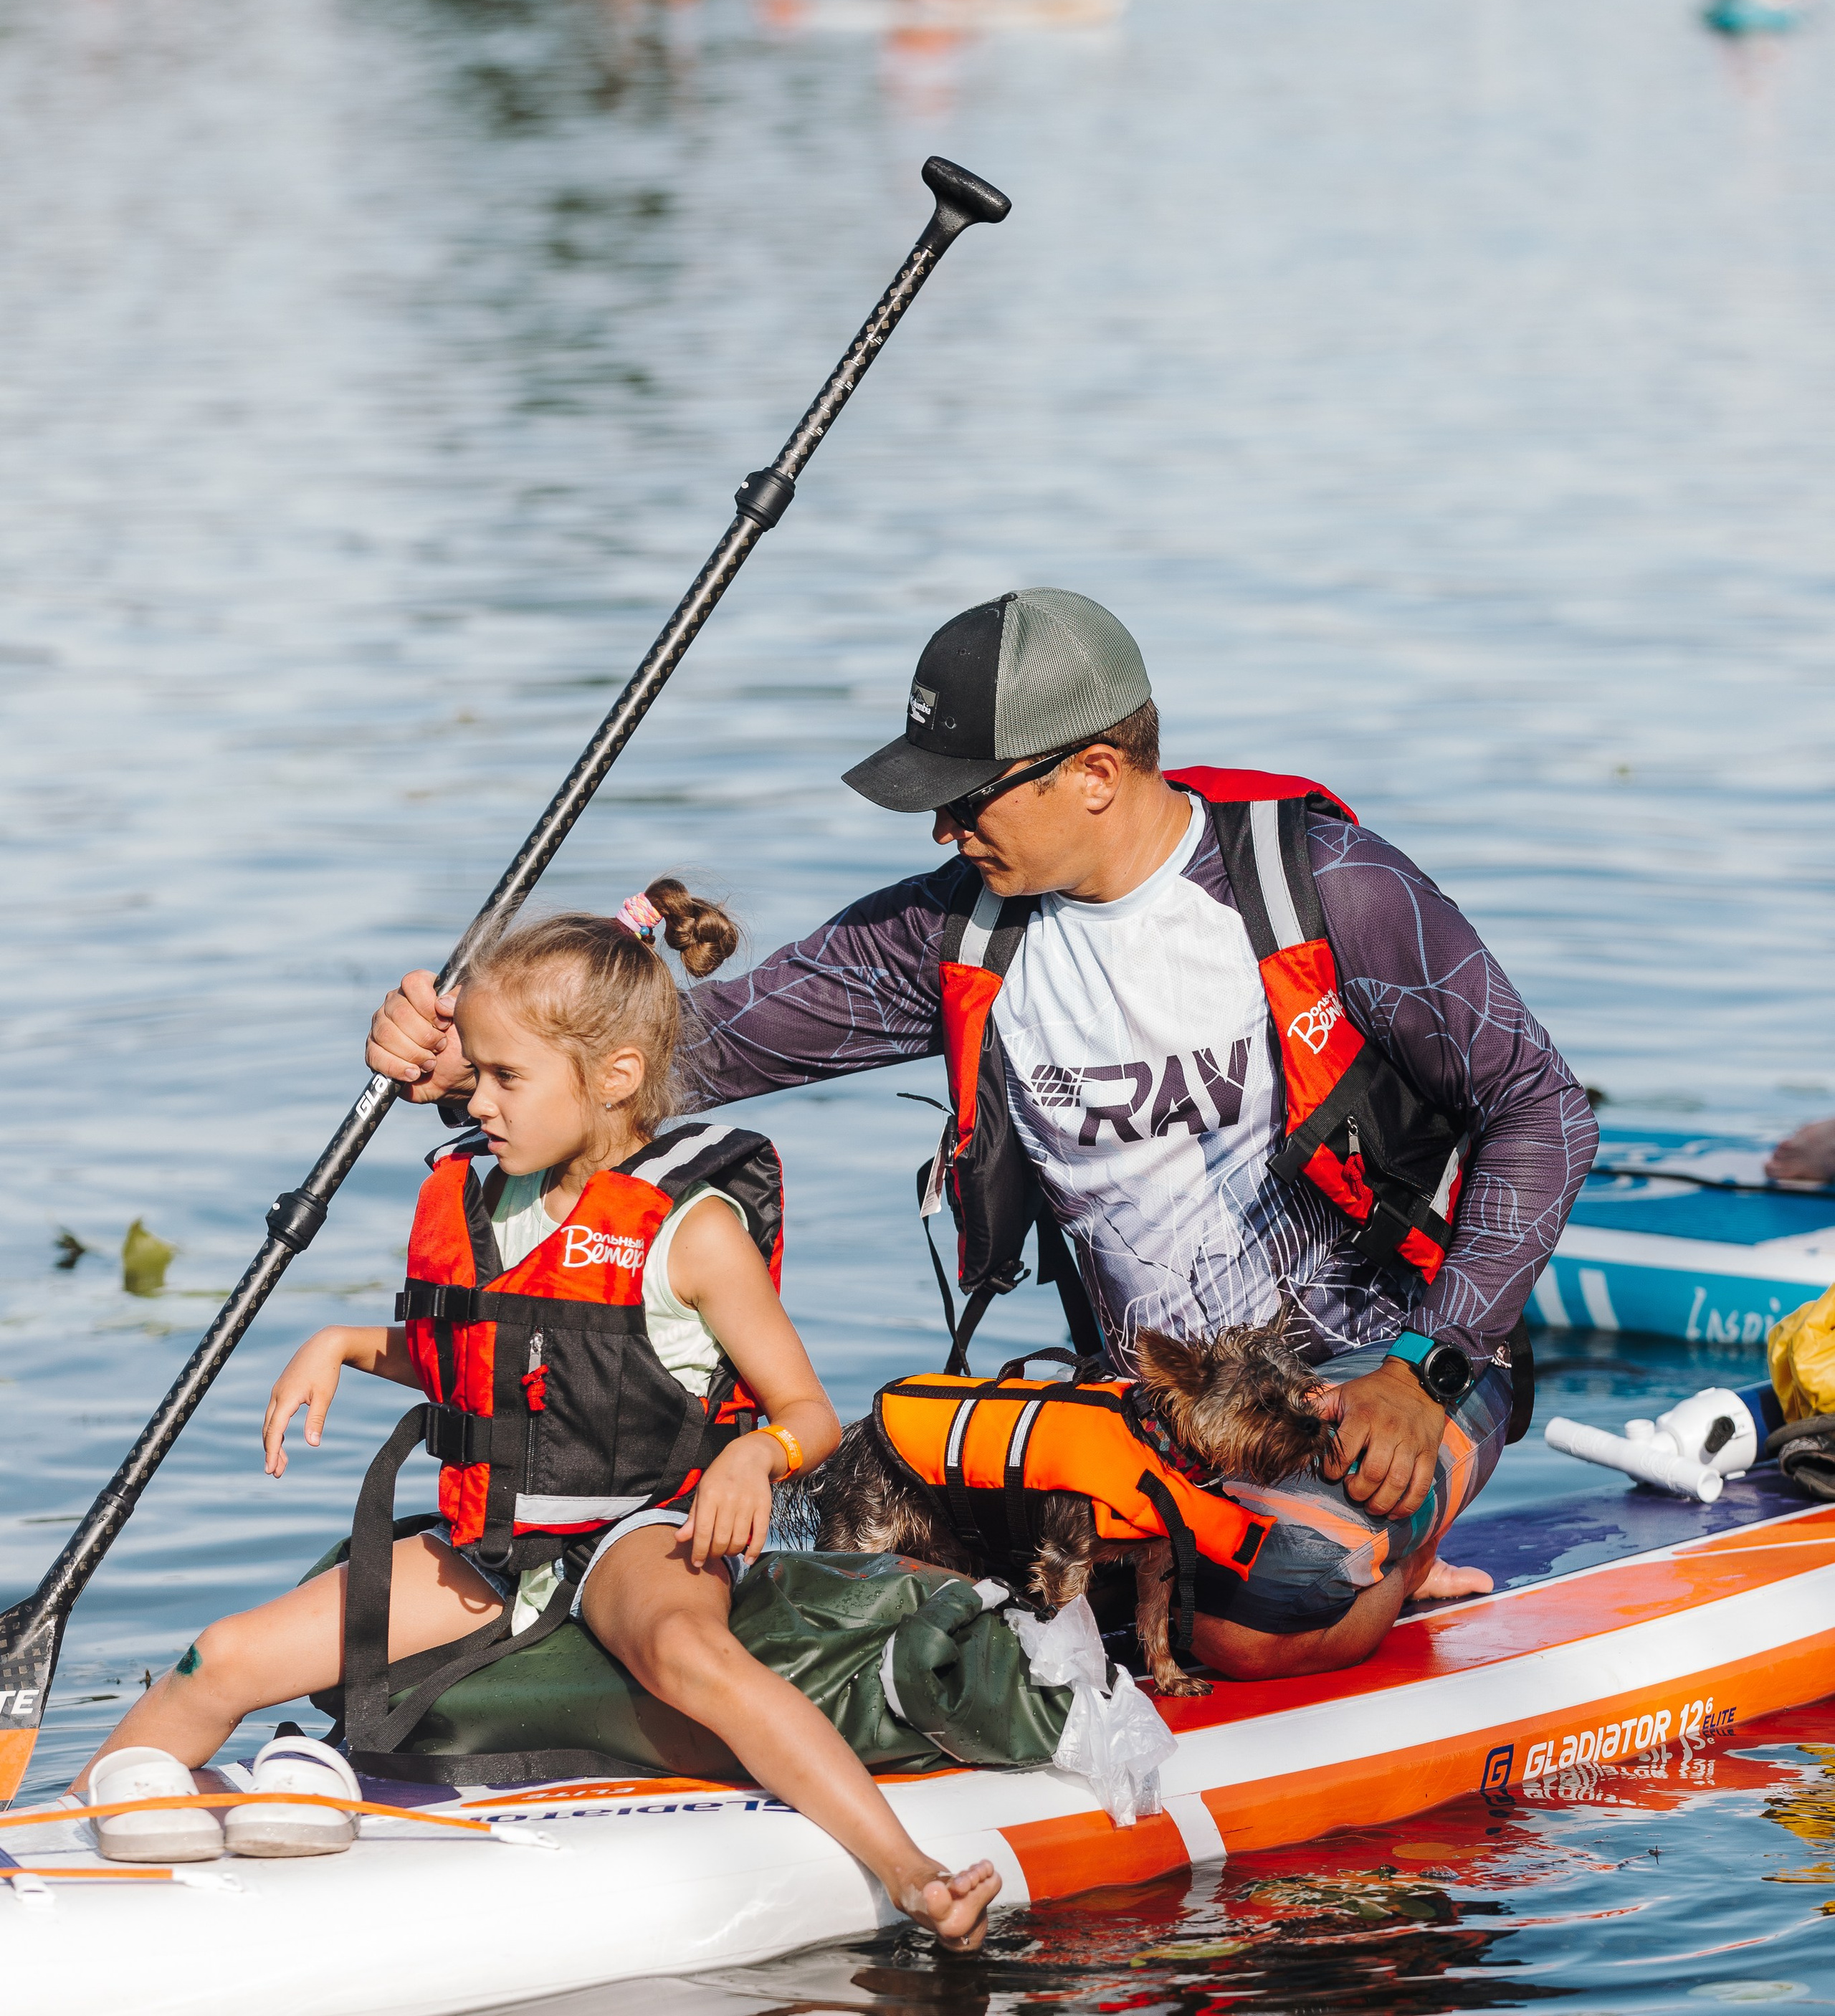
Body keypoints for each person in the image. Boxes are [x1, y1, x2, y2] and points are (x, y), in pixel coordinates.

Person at [371, 593, 1598, 1686]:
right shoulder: (956, 940)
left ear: (1098, 772)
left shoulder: (1329, 890)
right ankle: (1297, 1555)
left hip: (1383, 1375)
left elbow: (1540, 1108)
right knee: (834, 1544)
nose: (944, 830)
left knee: (1254, 1625)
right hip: (1156, 1411)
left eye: (967, 798)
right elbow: (675, 1051)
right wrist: (469, 1066)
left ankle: (1370, 1543)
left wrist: (1426, 1369)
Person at [80, 885, 999, 1946]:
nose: (477, 1102)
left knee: (689, 1662)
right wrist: (336, 1344)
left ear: (613, 1079)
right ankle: (70, 1835)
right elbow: (478, 1363)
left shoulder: (694, 1232)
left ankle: (916, 1872)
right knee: (222, 1656)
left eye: (505, 1078)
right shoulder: (489, 1197)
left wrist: (759, 1457)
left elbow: (809, 1412)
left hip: (641, 1528)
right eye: (477, 1072)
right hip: (492, 1541)